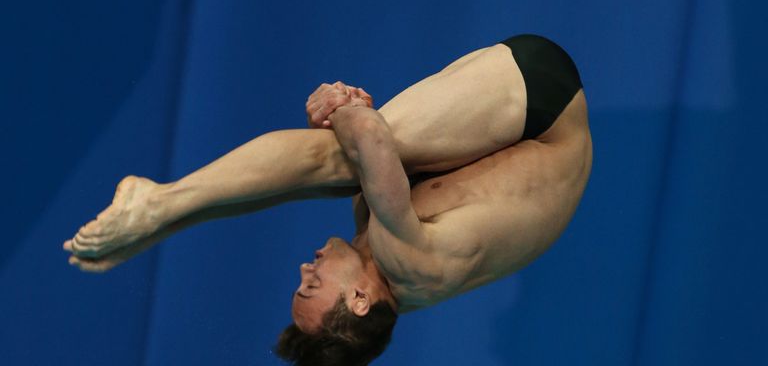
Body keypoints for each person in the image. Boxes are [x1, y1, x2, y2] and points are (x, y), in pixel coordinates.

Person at [63, 34, 592, 366]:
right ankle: (159, 205)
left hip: (514, 135)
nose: (304, 267)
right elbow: (372, 138)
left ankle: (165, 220)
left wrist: (357, 120)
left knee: (346, 169)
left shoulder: (387, 267)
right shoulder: (407, 260)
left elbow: (371, 141)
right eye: (312, 285)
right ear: (359, 301)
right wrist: (342, 106)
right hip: (544, 104)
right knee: (339, 160)